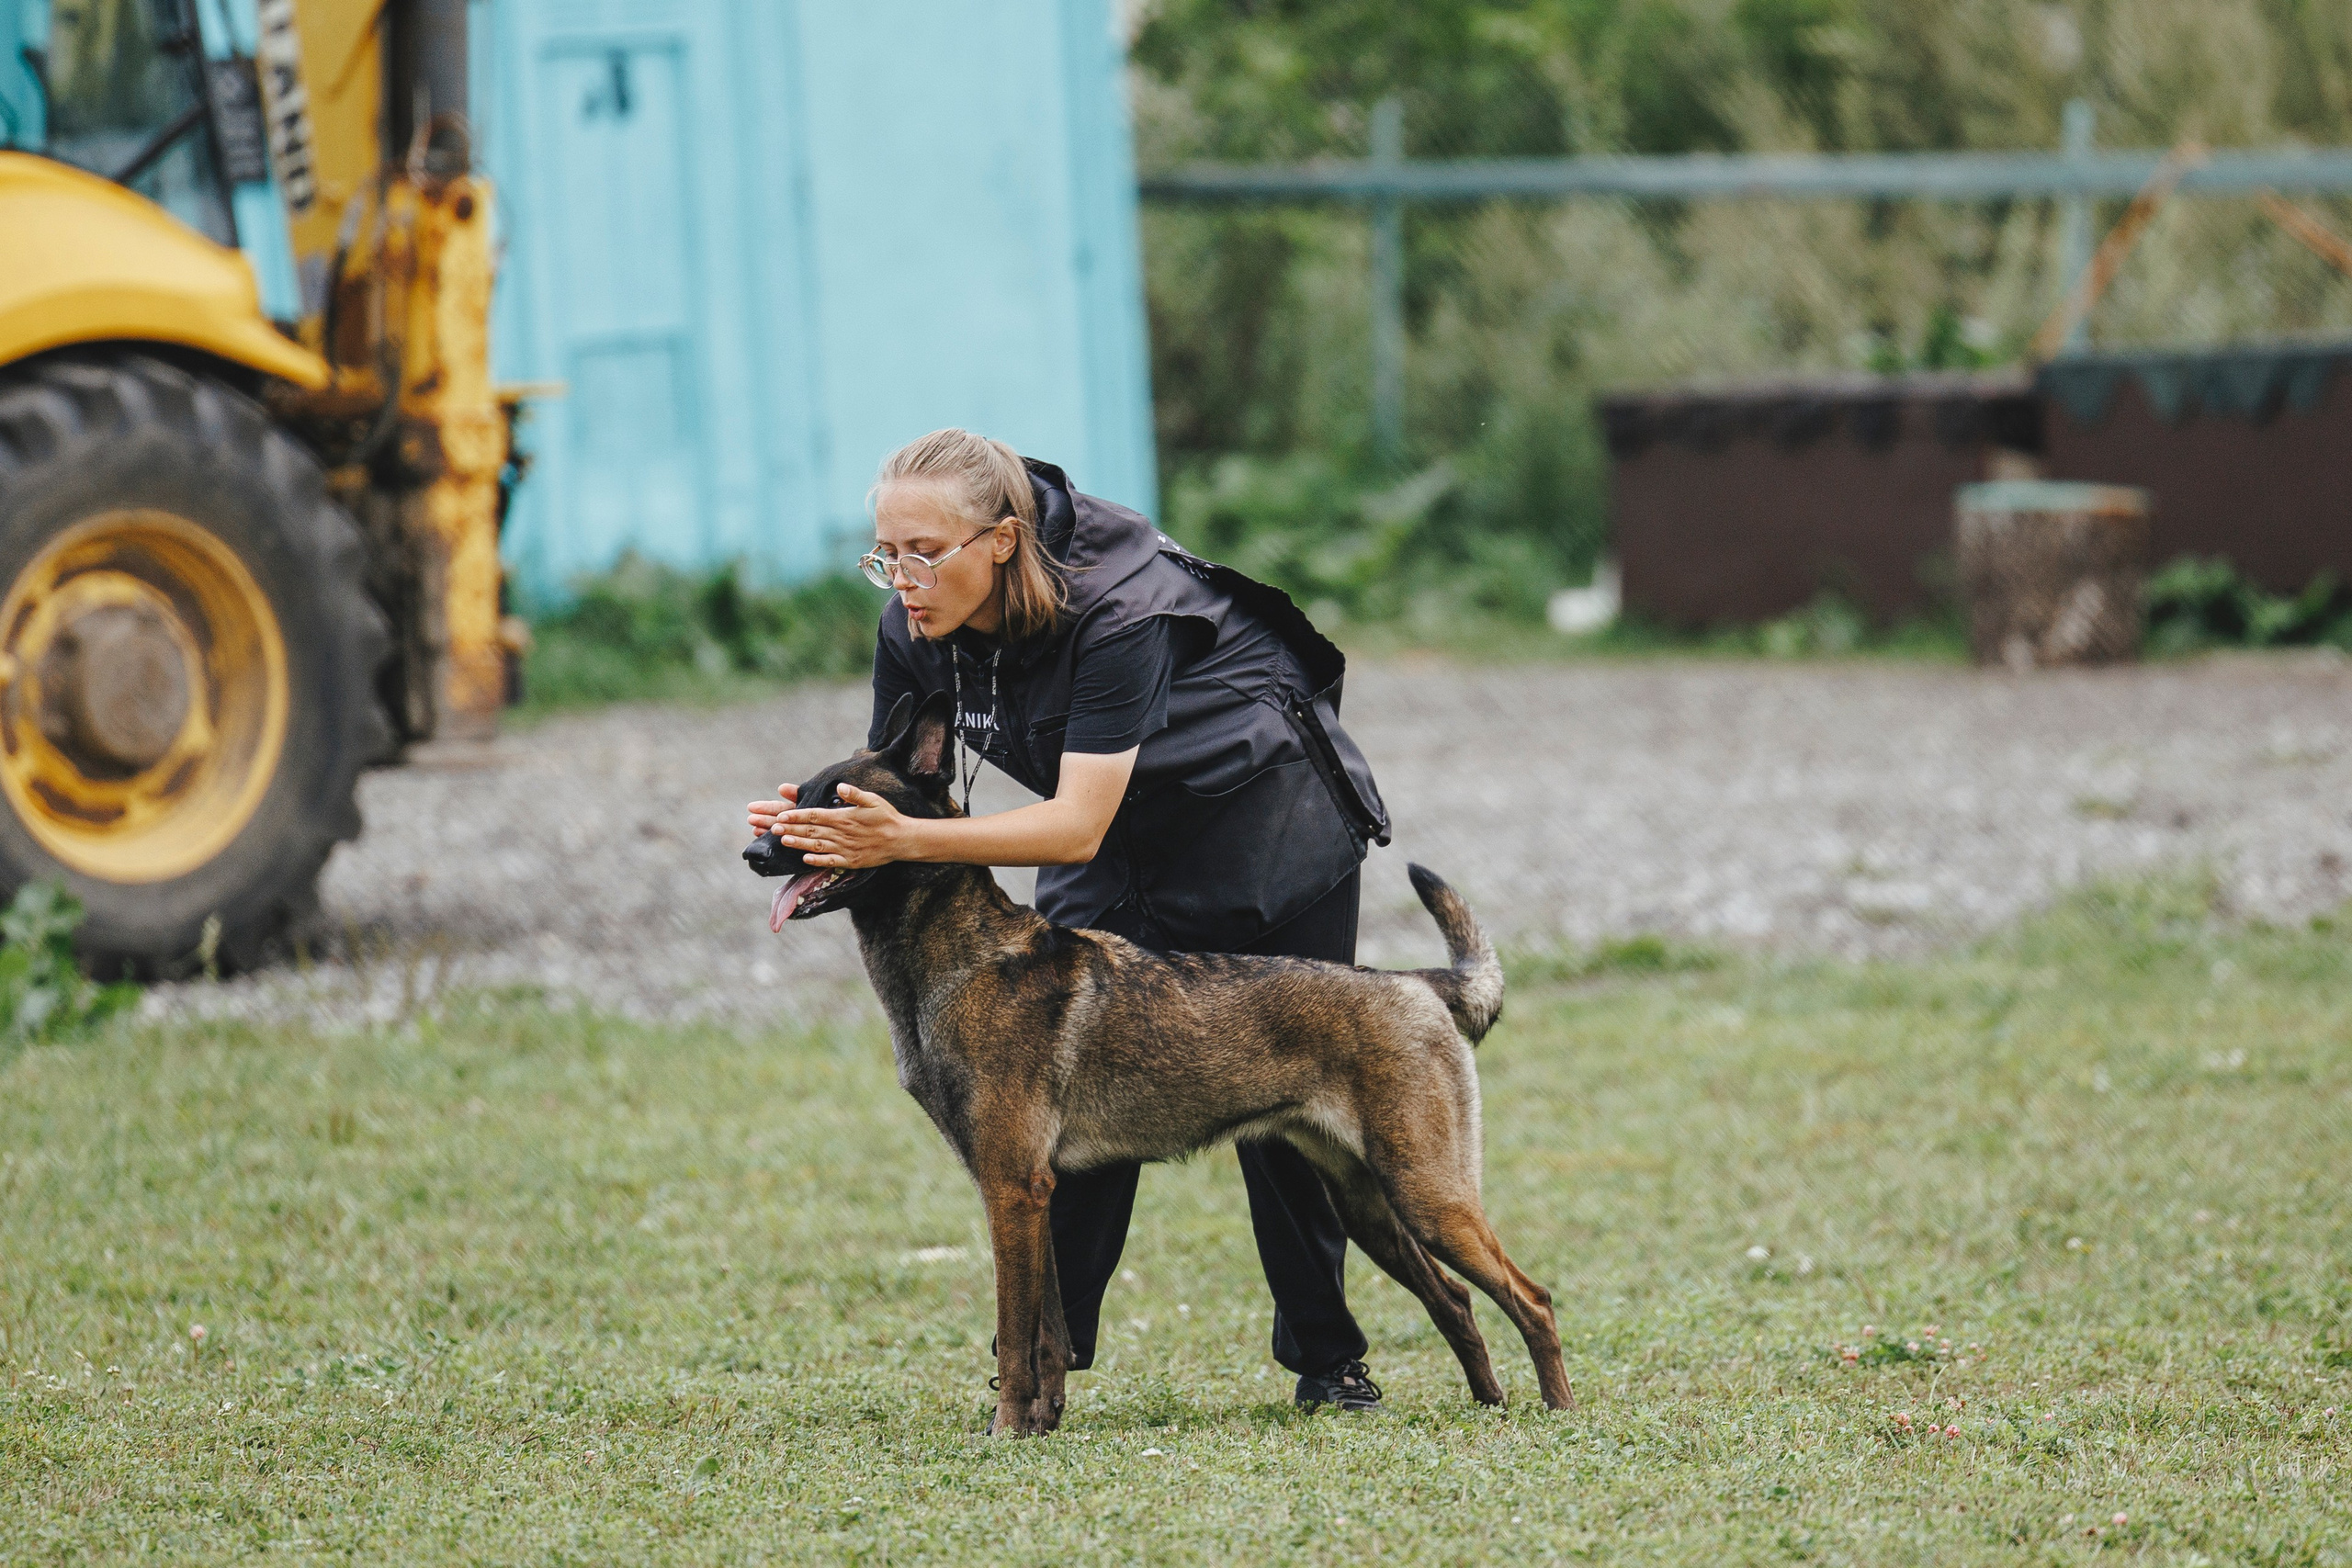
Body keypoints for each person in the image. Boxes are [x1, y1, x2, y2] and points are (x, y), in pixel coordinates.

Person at [748, 428, 1393, 1412]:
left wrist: (899, 843)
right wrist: (817, 821)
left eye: (925, 553)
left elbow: (1074, 825)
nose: (902, 579)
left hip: (1261, 819)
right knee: (1044, 1072)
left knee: (1282, 1104)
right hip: (1109, 830)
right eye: (887, 553)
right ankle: (1049, 1356)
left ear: (1001, 543)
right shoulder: (912, 623)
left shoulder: (1117, 608)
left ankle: (1327, 1361)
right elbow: (899, 790)